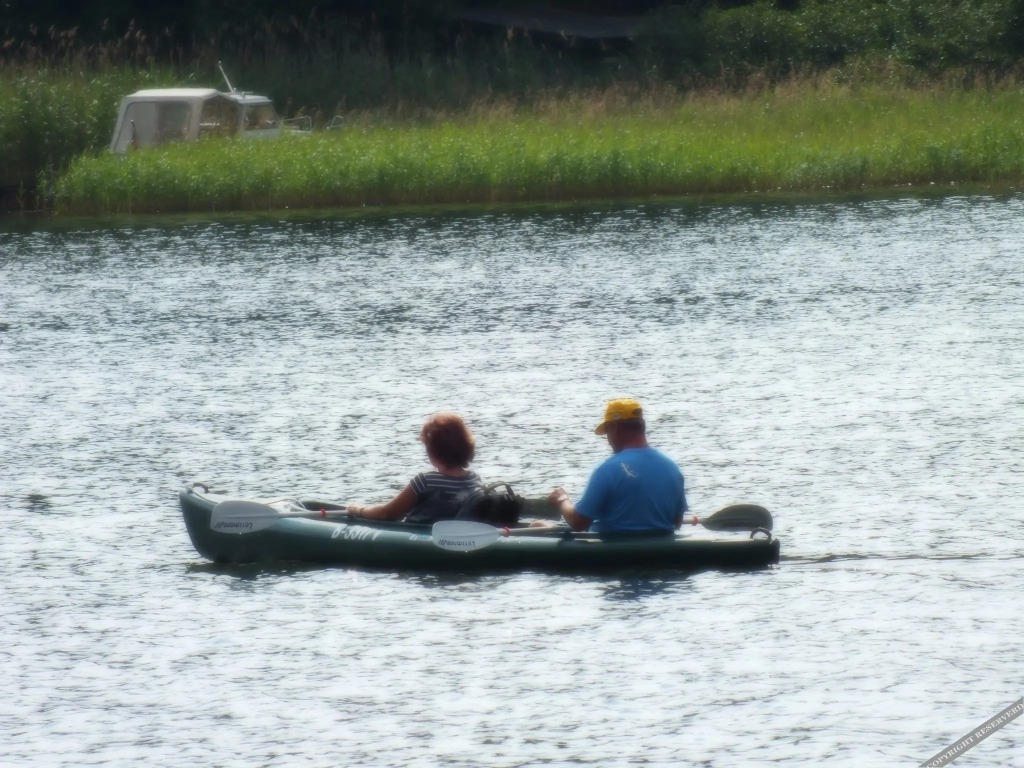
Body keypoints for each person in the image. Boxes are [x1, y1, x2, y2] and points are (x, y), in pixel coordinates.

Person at [547, 398, 688, 534]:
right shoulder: (673, 469)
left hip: (613, 549)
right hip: (660, 549)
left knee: (540, 525)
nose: (608, 440)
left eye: (607, 433)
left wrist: (563, 500)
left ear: (614, 428)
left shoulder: (607, 470)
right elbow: (677, 522)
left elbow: (579, 523)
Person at [347, 413, 484, 524]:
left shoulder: (425, 481)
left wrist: (360, 510)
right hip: (457, 539)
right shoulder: (474, 480)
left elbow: (388, 513)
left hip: (424, 539)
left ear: (434, 451)